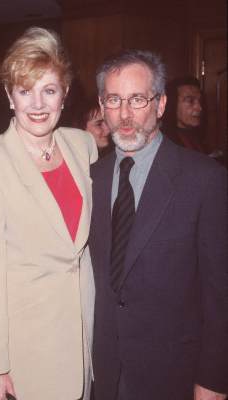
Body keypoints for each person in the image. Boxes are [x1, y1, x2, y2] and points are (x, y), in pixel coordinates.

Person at [0, 26, 98, 400]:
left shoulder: (83, 145)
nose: (37, 104)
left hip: (85, 336)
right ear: (9, 95)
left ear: (65, 94)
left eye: (48, 90)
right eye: (25, 91)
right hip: (27, 347)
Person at [89, 50, 228, 400]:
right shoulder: (91, 178)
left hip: (173, 374)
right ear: (101, 105)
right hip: (102, 372)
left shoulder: (204, 179)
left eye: (137, 99)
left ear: (161, 104)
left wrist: (213, 379)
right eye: (113, 100)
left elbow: (220, 293)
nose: (124, 114)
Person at [162, 76, 206, 152]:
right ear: (172, 104)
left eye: (200, 101)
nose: (199, 108)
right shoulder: (164, 142)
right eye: (190, 101)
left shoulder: (199, 135)